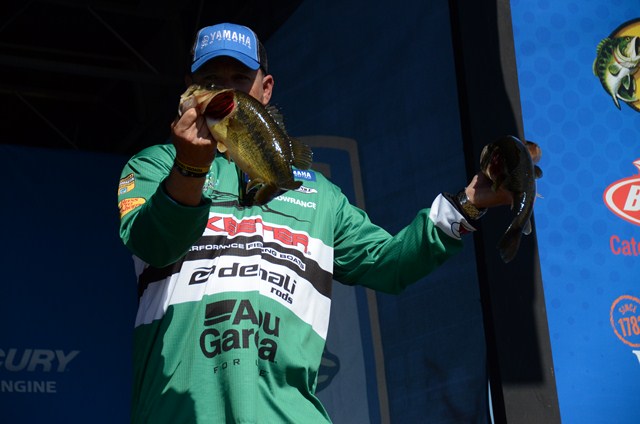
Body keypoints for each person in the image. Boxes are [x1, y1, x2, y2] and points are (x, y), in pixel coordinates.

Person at [117, 22, 512, 423]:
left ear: (265, 90)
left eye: (239, 79)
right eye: (211, 80)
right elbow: (153, 244)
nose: (225, 91)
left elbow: (391, 263)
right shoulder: (155, 166)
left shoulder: (320, 194)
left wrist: (466, 205)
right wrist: (190, 168)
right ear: (189, 88)